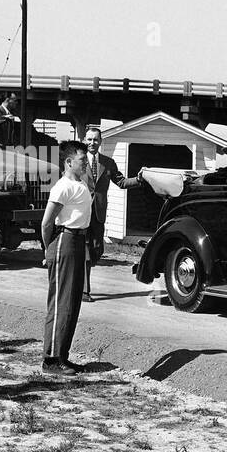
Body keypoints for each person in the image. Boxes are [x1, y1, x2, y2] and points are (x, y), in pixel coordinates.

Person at [41, 141, 93, 376]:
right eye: (82, 159)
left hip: (78, 241)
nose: (86, 162)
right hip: (64, 240)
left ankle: (62, 356)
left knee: (72, 302)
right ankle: (50, 360)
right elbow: (46, 223)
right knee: (61, 302)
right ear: (69, 162)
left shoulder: (81, 183)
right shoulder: (62, 187)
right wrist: (47, 249)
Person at [81, 126, 142, 302]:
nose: (92, 143)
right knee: (85, 250)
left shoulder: (108, 162)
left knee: (97, 249)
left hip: (99, 213)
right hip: (82, 212)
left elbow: (121, 182)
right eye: (89, 139)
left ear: (100, 142)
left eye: (95, 140)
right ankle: (84, 290)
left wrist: (139, 179)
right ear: (85, 140)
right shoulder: (78, 160)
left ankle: (81, 273)